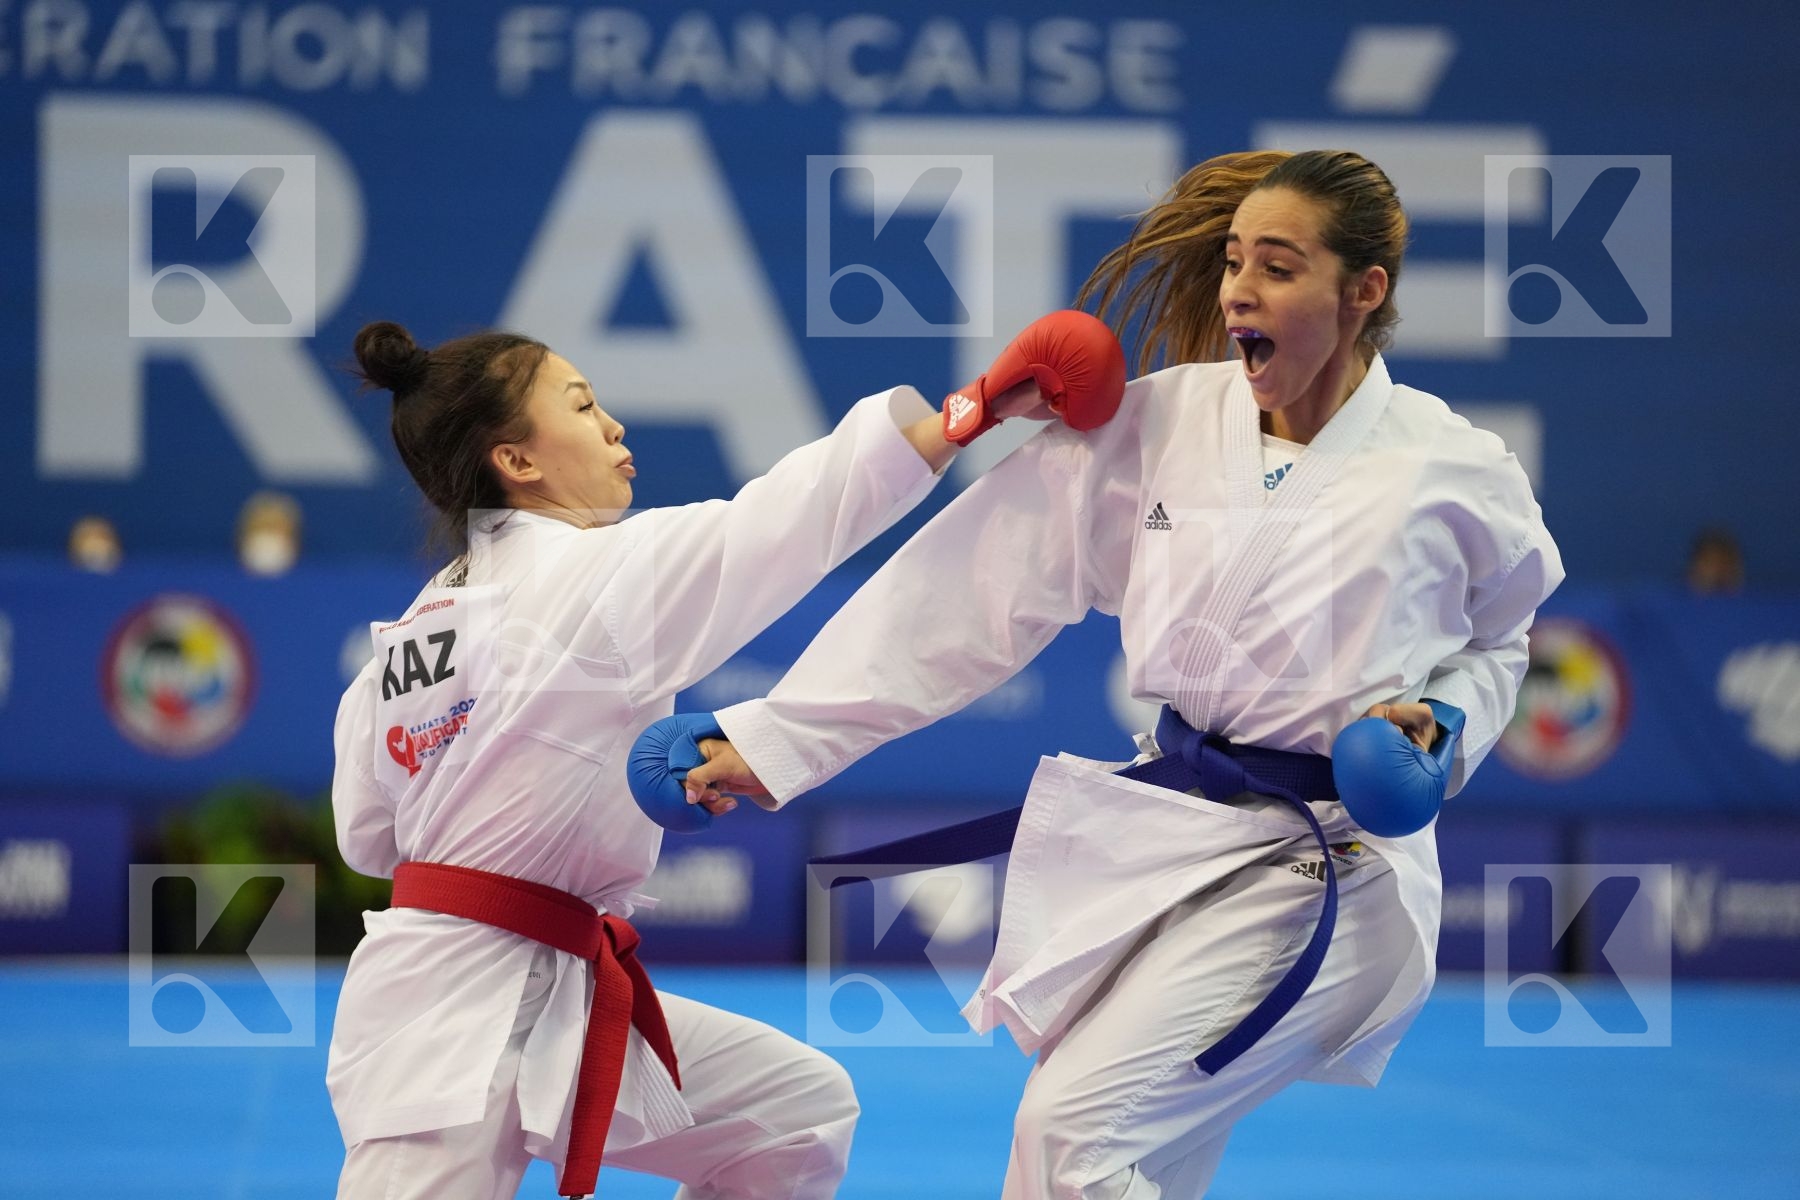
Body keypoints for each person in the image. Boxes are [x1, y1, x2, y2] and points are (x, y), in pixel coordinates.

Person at [680, 149, 1566, 1197]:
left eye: (1279, 267)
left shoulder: (1456, 468)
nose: (1239, 287)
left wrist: (1448, 720)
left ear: (1363, 291)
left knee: (1070, 1138)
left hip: (1335, 867)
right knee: (1122, 1159)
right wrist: (776, 738)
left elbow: (1503, 636)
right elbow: (968, 595)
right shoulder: (1161, 423)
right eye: (1236, 260)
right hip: (1179, 840)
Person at [326, 314, 1111, 1199]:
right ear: (518, 461)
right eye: (582, 406)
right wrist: (961, 417)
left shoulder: (399, 646)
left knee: (793, 1111)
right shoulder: (589, 580)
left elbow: (366, 840)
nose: (613, 426)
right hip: (450, 1021)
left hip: (526, 990)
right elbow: (784, 520)